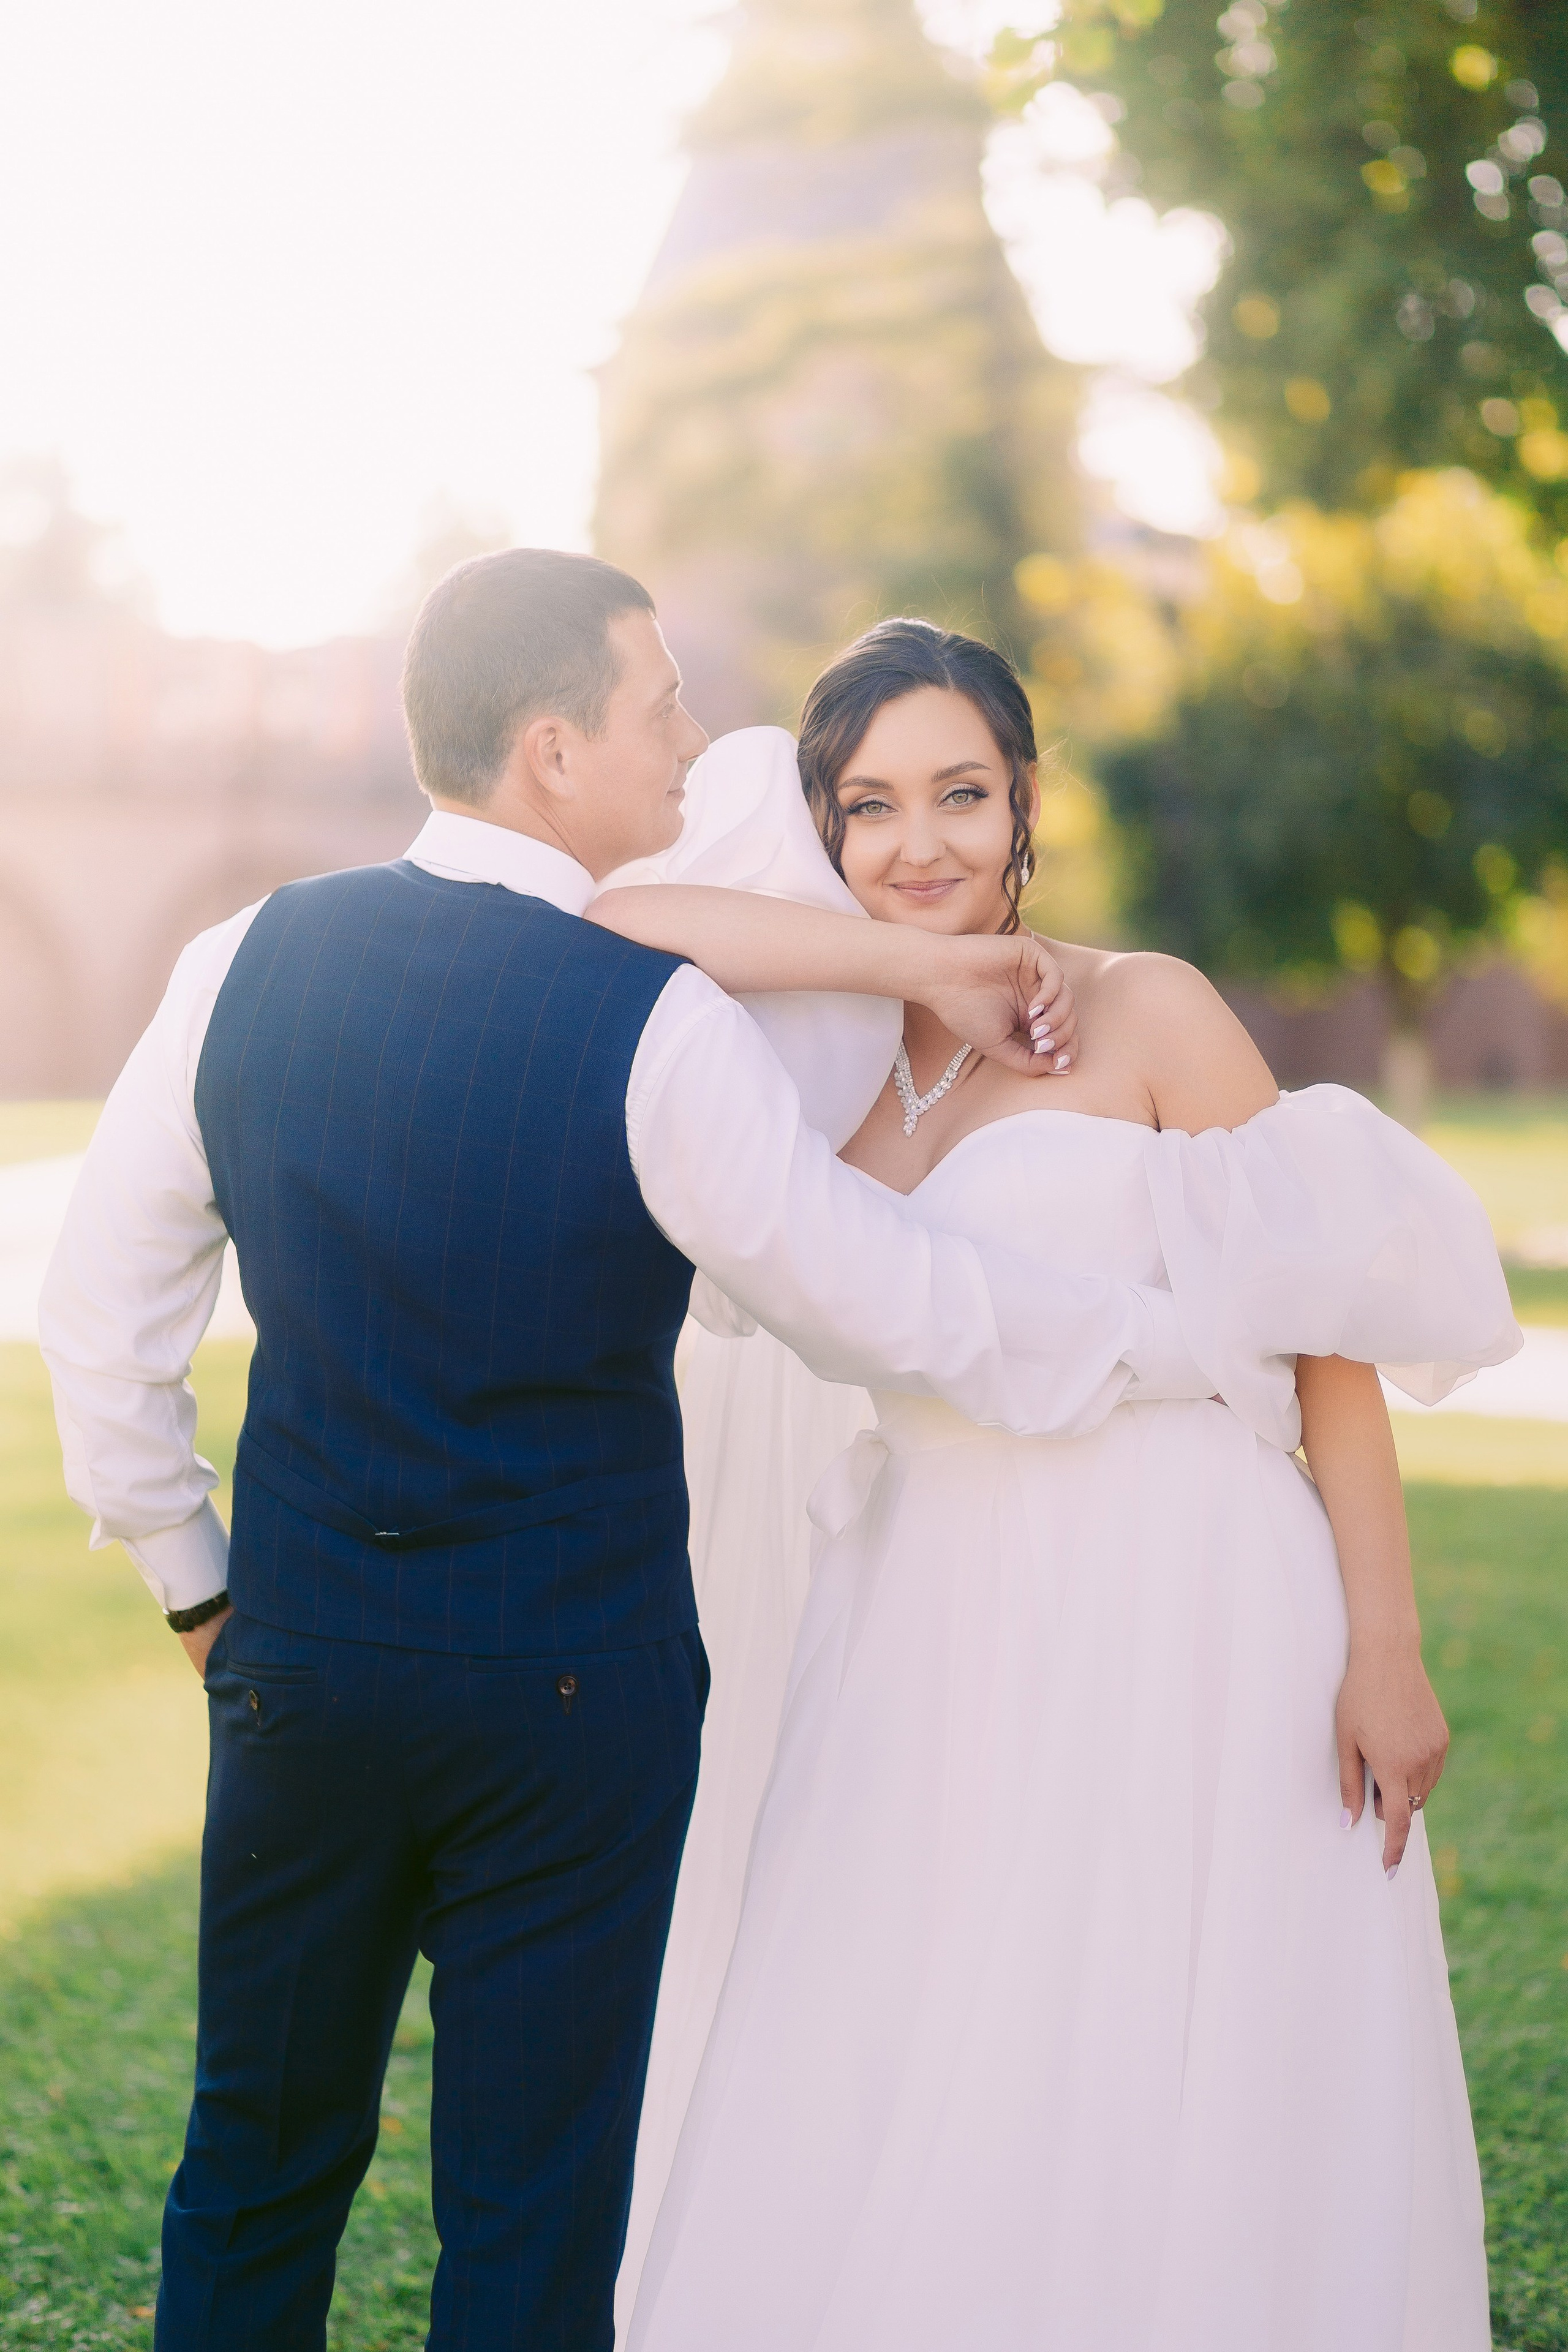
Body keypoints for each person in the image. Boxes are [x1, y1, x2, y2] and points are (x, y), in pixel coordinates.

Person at [37, 555, 1225, 2350]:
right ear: (550, 750)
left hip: (307, 1670)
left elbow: (101, 1323)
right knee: (533, 2216)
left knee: (255, 2164)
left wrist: (208, 1598)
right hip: (573, 1701)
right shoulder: (656, 1024)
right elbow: (872, 1298)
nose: (689, 746)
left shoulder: (237, 963)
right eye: (656, 708)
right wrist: (1157, 1344)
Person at [588, 620, 1522, 2352]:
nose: (919, 843)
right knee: (921, 2027)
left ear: (1026, 802)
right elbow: (612, 925)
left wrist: (1384, 1648)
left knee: (1167, 2037)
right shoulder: (815, 1067)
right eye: (868, 807)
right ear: (823, 833)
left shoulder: (1143, 1005)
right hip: (925, 1615)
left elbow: (1326, 1343)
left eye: (960, 793)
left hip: (1182, 1593)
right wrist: (909, 972)